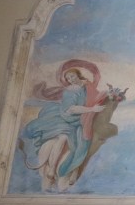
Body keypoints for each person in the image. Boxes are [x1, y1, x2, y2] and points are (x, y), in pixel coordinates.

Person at [21, 60, 107, 192]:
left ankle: (74, 170)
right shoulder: (70, 91)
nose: (70, 80)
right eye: (68, 79)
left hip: (81, 118)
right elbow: (71, 109)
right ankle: (51, 169)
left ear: (78, 74)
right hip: (68, 118)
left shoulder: (86, 86)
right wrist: (91, 110)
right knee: (63, 137)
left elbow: (95, 96)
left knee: (84, 141)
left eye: (72, 76)